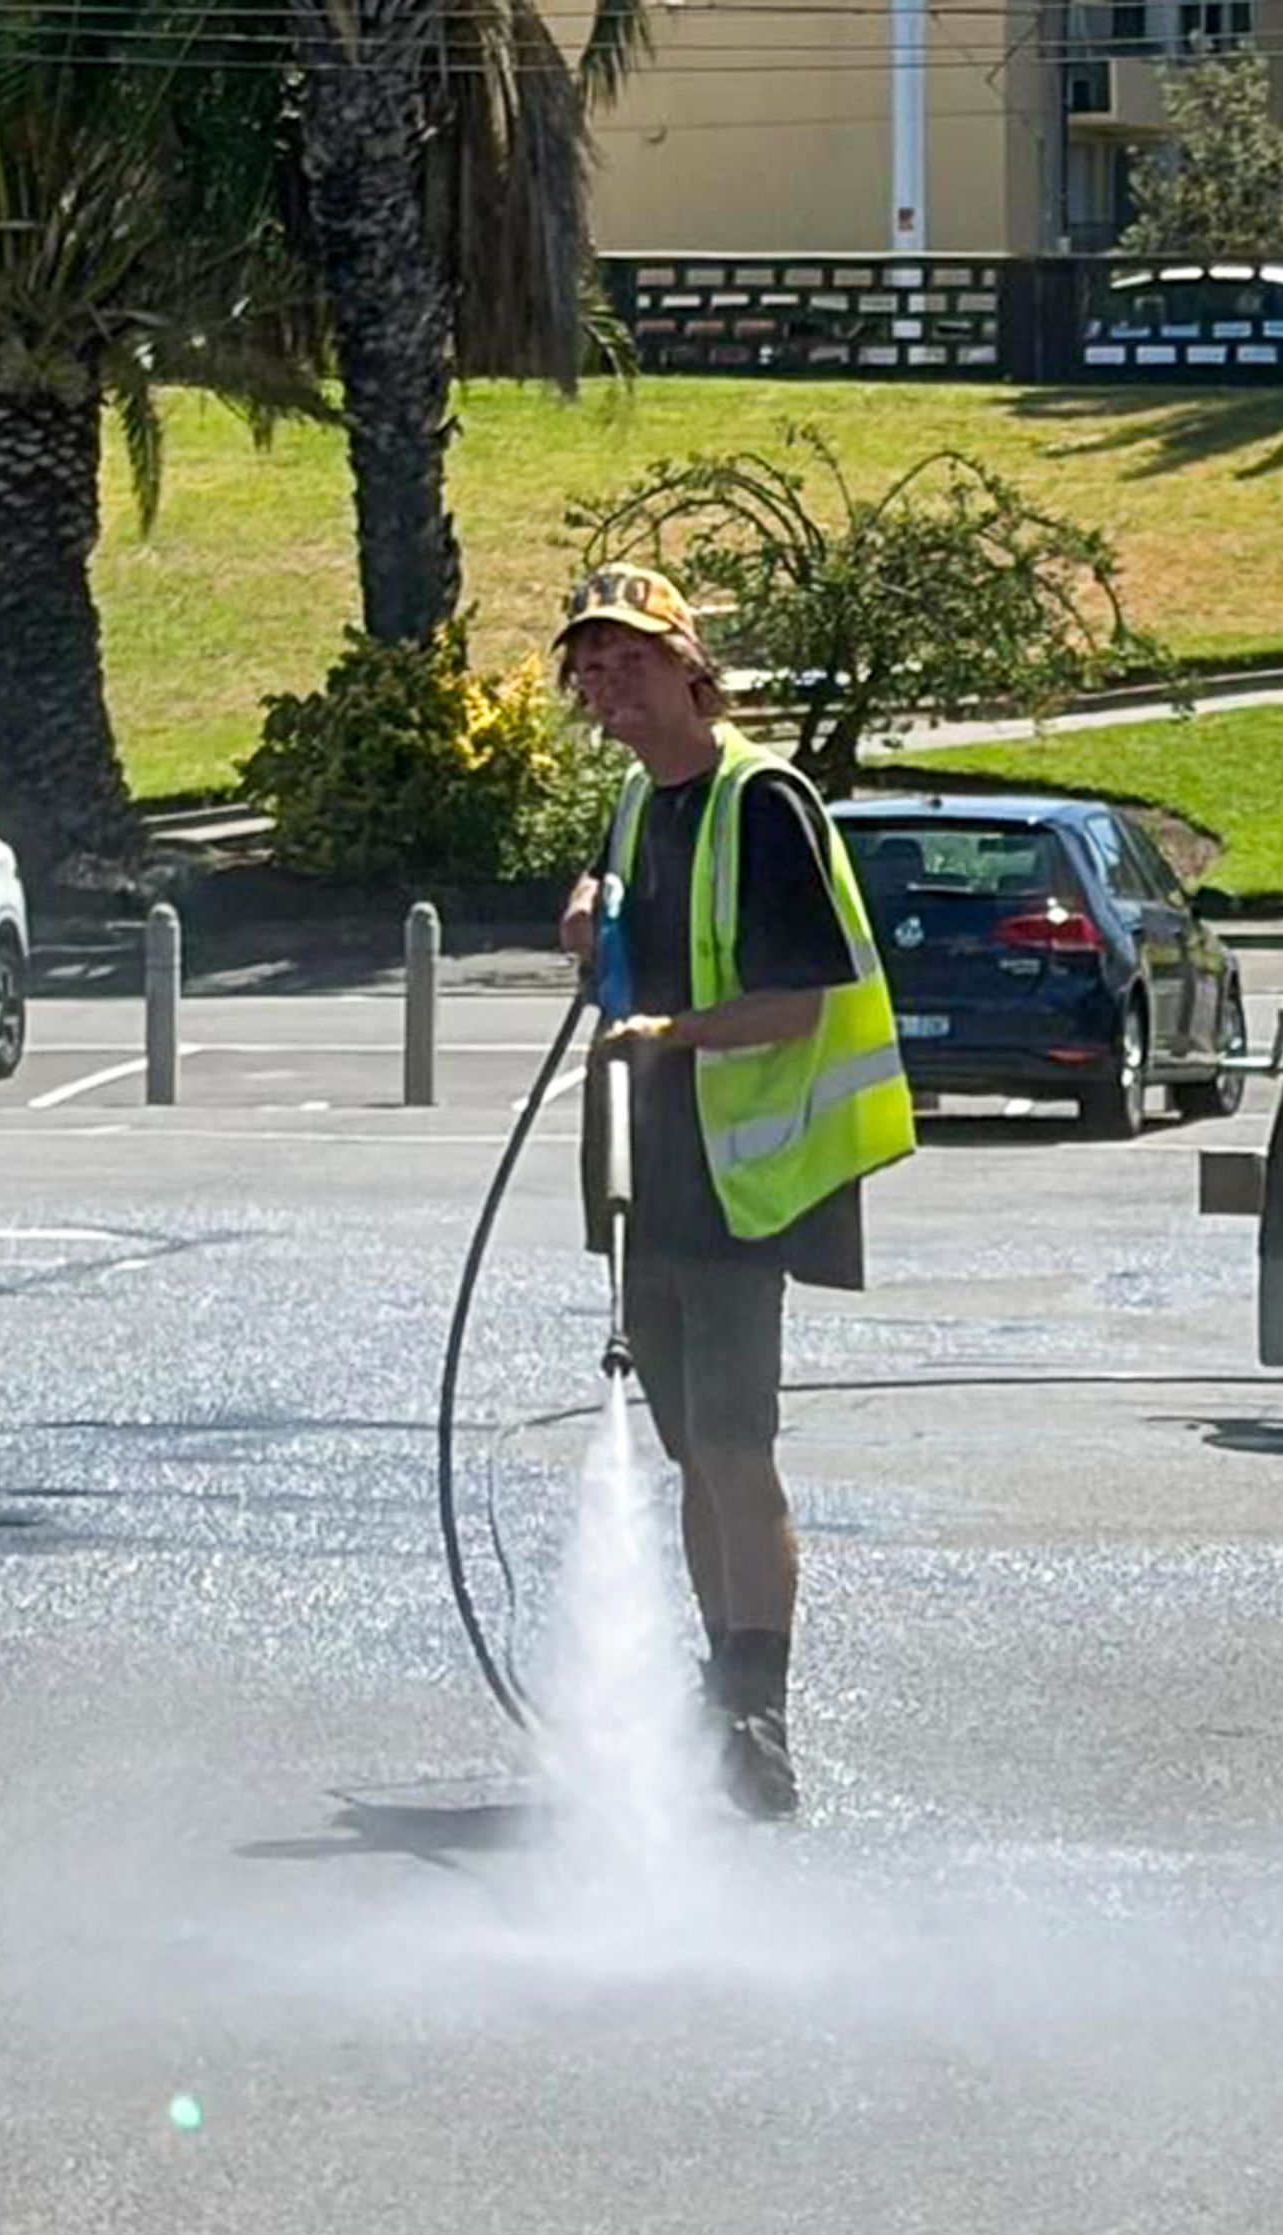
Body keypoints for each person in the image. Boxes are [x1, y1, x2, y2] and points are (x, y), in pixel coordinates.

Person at [553, 563, 915, 1820]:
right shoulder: (637, 804)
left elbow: (798, 997)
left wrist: (668, 1032)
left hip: (743, 1177)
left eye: (634, 661)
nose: (612, 686)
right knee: (686, 1450)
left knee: (732, 1442)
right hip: (651, 1176)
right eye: (593, 667)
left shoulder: (761, 801)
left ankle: (758, 1716)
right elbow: (631, 914)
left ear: (690, 668)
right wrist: (596, 905)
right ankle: (722, 1695)